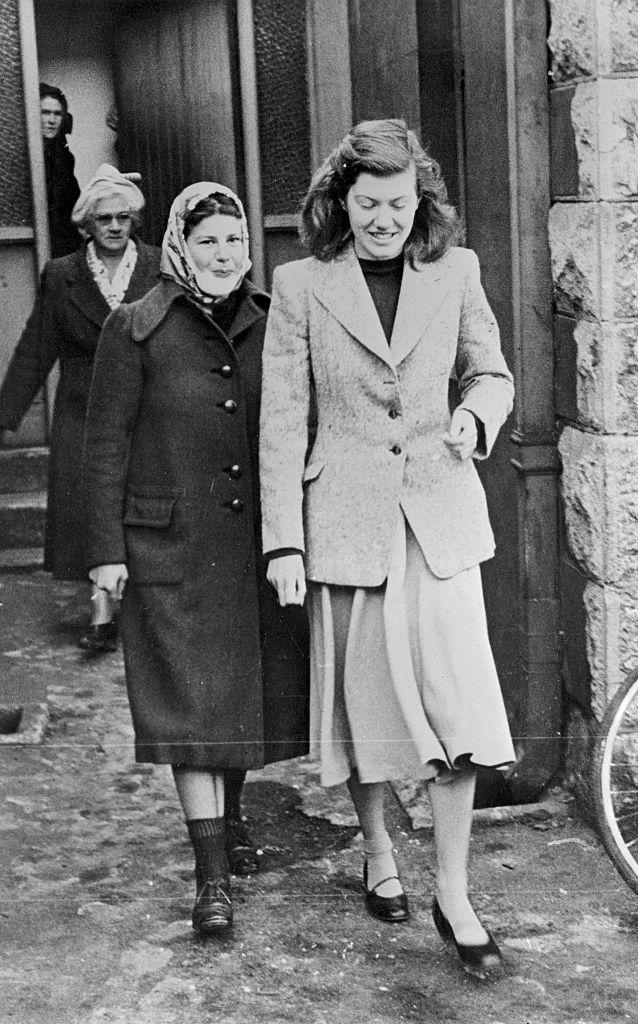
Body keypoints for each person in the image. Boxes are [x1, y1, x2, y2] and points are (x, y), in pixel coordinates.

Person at [259, 119, 515, 979]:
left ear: (421, 199)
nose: (383, 221)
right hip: (347, 526)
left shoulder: (457, 272)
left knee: (459, 713)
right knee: (366, 710)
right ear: (341, 201)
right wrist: (282, 543)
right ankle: (378, 851)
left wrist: (475, 416)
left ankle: (453, 890)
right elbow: (283, 419)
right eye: (367, 204)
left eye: (398, 204)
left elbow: (492, 372)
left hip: (439, 519)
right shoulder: (299, 286)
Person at [81, 183, 309, 939]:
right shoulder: (135, 327)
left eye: (235, 243)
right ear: (180, 245)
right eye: (208, 241)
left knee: (239, 698)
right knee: (189, 708)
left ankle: (231, 818)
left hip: (249, 553)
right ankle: (211, 879)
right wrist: (105, 555)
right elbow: (106, 444)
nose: (223, 255)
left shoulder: (271, 321)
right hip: (170, 551)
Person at [0, 164, 160, 652]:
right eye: (104, 218)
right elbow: (36, 347)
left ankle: (146, 610)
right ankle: (103, 608)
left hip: (147, 412)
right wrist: (6, 414)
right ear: (85, 224)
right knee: (93, 508)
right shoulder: (63, 275)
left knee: (145, 508)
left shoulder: (158, 267)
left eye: (123, 217)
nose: (115, 227)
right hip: (83, 414)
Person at [39, 83, 81, 258]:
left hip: (64, 245)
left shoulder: (65, 157)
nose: (51, 120)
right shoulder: (24, 157)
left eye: (57, 114)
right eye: (45, 112)